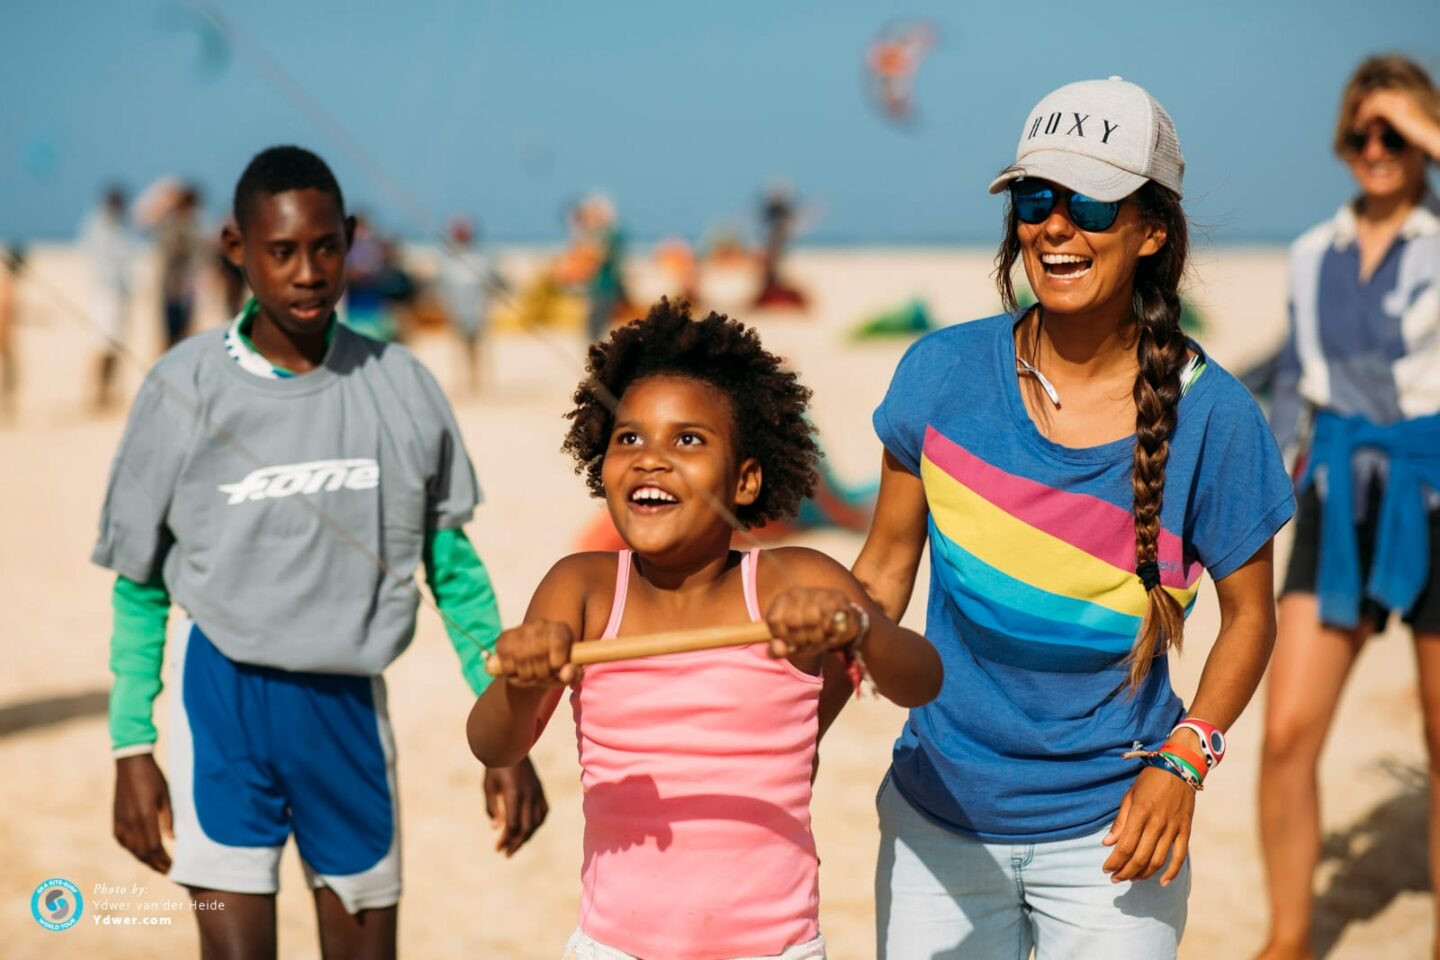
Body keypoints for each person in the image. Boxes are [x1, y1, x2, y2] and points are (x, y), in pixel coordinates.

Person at [852, 77, 1295, 958]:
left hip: (1117, 837)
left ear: (1150, 230)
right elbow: (881, 574)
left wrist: (1185, 762)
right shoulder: (938, 374)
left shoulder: (1217, 417)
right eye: (1034, 196)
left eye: (1089, 202)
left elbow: (1251, 617)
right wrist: (792, 719)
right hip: (935, 820)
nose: (1055, 225)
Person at [93, 145, 547, 960]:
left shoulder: (400, 386)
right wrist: (133, 747)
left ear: (353, 241)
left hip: (348, 717)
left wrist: (504, 732)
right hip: (220, 707)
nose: (307, 272)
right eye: (281, 251)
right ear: (236, 248)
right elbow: (139, 586)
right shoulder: (179, 386)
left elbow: (454, 572)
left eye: (326, 247)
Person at [467, 299, 943, 960]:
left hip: (775, 950)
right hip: (614, 947)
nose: (650, 460)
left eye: (686, 440)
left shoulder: (794, 577)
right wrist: (524, 685)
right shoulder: (581, 587)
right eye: (629, 437)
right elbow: (492, 742)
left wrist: (855, 626)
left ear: (746, 479)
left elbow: (921, 679)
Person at [1256, 55, 1440, 960]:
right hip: (1335, 489)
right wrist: (1264, 500)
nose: (1378, 148)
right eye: (1364, 130)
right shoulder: (1309, 253)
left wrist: (1430, 133)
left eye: (1397, 132)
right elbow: (1294, 385)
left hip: (1435, 485)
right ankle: (1289, 938)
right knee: (1286, 731)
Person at [80, 185, 136, 410]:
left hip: (120, 294)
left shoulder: (121, 228)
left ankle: (108, 392)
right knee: (103, 344)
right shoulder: (98, 226)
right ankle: (96, 393)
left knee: (116, 345)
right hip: (105, 294)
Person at [437, 215, 502, 395]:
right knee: (460, 346)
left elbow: (492, 283)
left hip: (477, 310)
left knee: (477, 345)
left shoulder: (480, 259)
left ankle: (478, 381)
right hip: (458, 311)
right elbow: (444, 287)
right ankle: (464, 380)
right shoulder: (449, 261)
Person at [155, 184, 203, 349]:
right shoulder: (174, 223)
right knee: (174, 332)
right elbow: (174, 253)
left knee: (184, 332)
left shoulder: (191, 223)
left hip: (185, 285)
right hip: (175, 285)